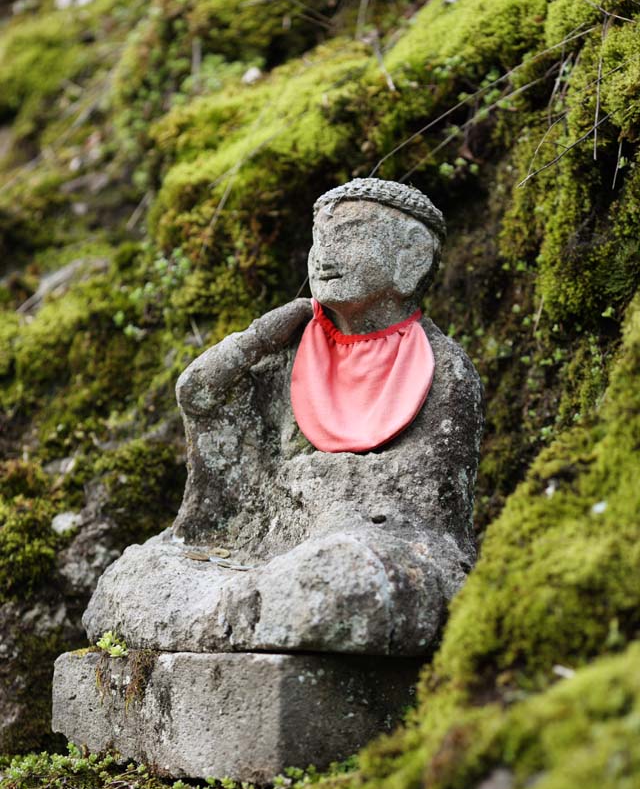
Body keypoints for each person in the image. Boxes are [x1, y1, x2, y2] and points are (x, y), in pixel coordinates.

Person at [84, 179, 483, 657]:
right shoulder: (292, 353)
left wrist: (321, 480)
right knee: (140, 572)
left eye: (350, 235)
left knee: (340, 577)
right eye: (319, 238)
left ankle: (259, 602)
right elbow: (199, 394)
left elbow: (422, 507)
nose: (324, 254)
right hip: (271, 542)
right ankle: (249, 603)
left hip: (366, 543)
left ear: (411, 258)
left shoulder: (445, 368)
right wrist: (254, 340)